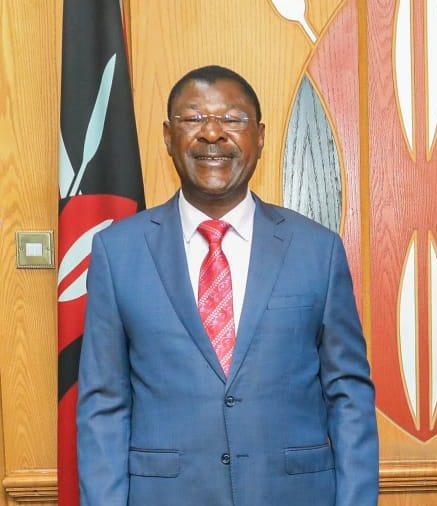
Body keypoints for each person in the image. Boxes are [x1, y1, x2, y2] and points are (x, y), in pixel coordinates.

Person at [77, 65, 378, 506]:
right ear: (167, 136)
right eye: (193, 118)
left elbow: (348, 395)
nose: (212, 134)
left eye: (232, 119)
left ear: (258, 137)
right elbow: (104, 405)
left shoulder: (318, 250)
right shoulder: (117, 252)